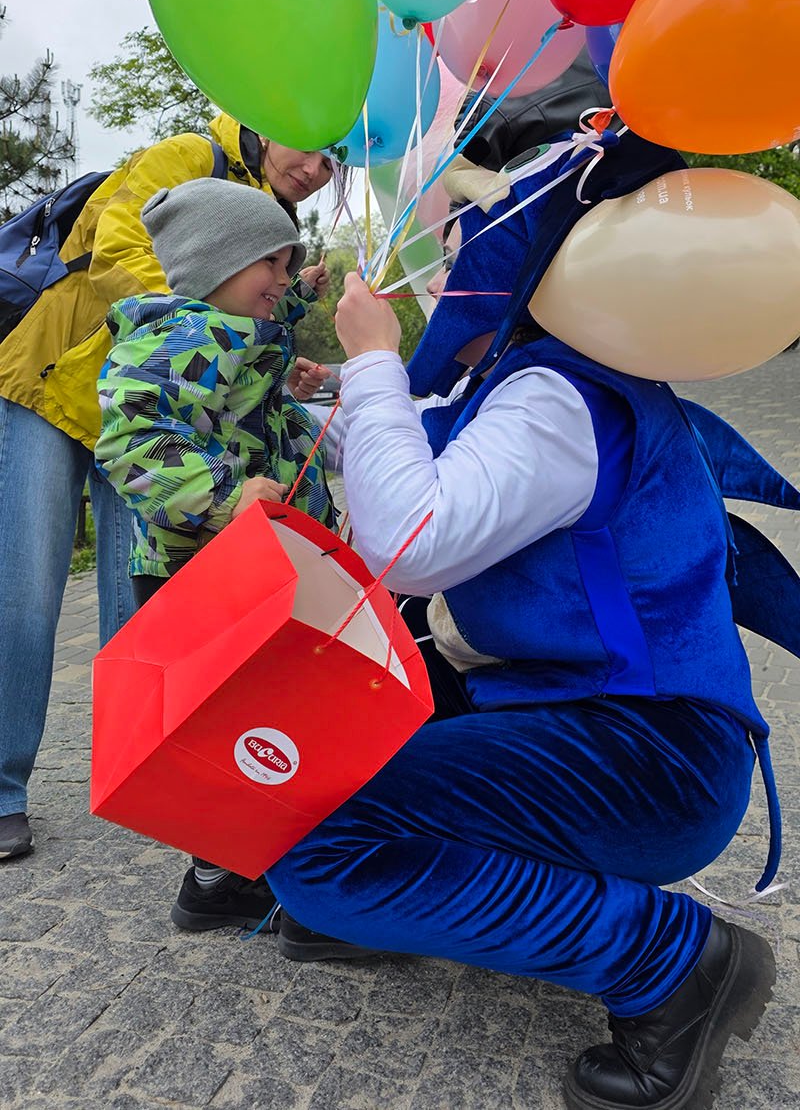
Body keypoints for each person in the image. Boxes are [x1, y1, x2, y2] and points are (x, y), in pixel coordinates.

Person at [265, 134, 800, 1110]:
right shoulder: (557, 376)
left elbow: (412, 537)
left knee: (317, 842)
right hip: (623, 729)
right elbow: (424, 460)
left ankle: (674, 963)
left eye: (453, 245)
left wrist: (374, 359)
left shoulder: (556, 393)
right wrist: (328, 400)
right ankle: (420, 894)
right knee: (355, 735)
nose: (437, 271)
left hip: (650, 756)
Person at [0, 110, 338, 860]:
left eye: (333, 163)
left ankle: (145, 764)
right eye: (314, 148)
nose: (318, 170)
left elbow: (240, 319)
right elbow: (125, 248)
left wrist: (279, 317)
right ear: (272, 117)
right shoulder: (190, 155)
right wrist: (211, 328)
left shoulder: (267, 218)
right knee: (26, 588)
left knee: (145, 601)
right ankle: (1, 791)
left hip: (170, 423)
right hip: (60, 383)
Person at [95, 176, 336, 931]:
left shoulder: (235, 334)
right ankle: (234, 878)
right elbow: (132, 442)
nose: (283, 279)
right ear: (216, 263)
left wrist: (292, 371)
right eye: (272, 262)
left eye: (289, 263)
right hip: (194, 569)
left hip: (244, 563)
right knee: (231, 722)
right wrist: (227, 495)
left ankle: (224, 875)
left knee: (257, 713)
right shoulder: (178, 336)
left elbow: (245, 410)